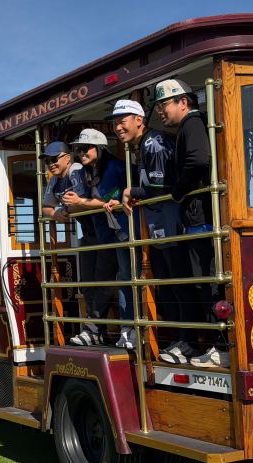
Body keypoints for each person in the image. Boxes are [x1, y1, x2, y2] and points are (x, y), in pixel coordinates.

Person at [113, 99, 199, 364]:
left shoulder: (153, 143)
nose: (118, 127)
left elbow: (162, 185)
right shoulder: (144, 145)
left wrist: (131, 192)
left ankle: (190, 340)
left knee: (179, 284)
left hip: (170, 223)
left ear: (139, 119)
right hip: (159, 225)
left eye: (122, 121)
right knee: (169, 285)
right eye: (115, 123)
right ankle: (181, 338)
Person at [154, 79, 228, 368]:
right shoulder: (188, 127)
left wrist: (178, 190)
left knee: (208, 283)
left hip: (201, 219)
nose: (160, 111)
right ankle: (213, 344)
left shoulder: (192, 125)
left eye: (164, 104)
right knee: (203, 282)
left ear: (183, 102)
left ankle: (220, 347)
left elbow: (198, 160)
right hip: (198, 219)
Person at [68, 128, 140, 349]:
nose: (81, 153)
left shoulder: (116, 168)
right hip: (106, 235)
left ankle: (127, 329)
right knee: (102, 281)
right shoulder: (88, 172)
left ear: (99, 148)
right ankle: (99, 329)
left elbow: (115, 201)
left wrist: (80, 202)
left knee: (124, 279)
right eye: (78, 149)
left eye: (85, 148)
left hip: (124, 233)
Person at [40, 141, 117, 345]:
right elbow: (45, 208)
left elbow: (86, 201)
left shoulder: (76, 171)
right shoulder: (54, 180)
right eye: (47, 161)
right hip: (89, 234)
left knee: (103, 281)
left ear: (67, 158)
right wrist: (58, 212)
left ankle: (94, 329)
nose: (50, 164)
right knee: (88, 284)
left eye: (54, 159)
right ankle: (95, 331)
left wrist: (66, 210)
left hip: (106, 231)